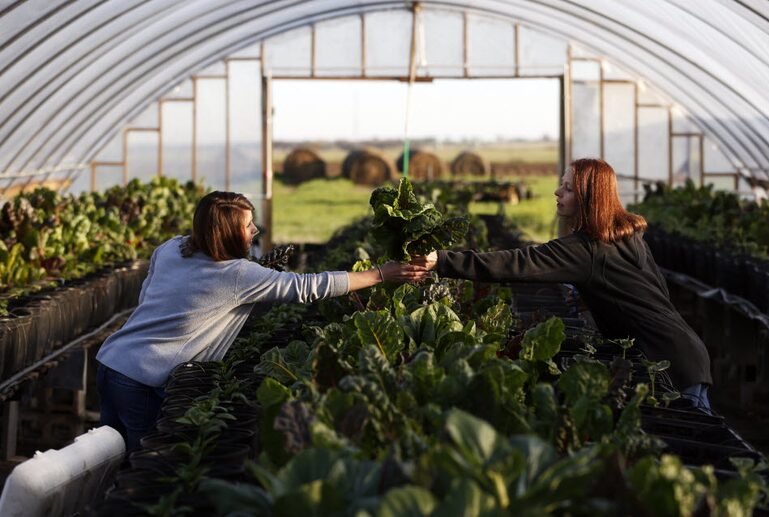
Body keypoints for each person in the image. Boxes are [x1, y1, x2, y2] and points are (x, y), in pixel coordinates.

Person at [96, 191, 429, 450]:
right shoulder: (237, 274)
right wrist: (380, 274)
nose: (255, 230)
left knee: (107, 462)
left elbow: (147, 293)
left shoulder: (172, 247)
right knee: (141, 468)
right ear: (226, 232)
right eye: (247, 225)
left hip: (112, 363)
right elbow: (309, 287)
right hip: (141, 380)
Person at [412, 158, 713, 411]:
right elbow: (653, 292)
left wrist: (440, 259)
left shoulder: (587, 248)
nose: (557, 192)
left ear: (588, 197)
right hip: (684, 353)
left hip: (666, 365)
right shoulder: (627, 238)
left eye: (568, 188)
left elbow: (518, 263)